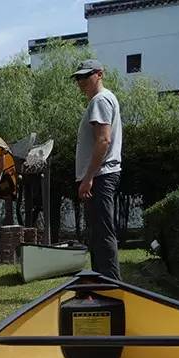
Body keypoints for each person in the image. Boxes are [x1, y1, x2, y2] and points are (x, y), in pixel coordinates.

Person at [73, 58, 123, 280]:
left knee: (103, 234)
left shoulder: (100, 101)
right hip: (101, 175)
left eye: (86, 76)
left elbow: (103, 140)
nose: (81, 81)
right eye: (78, 77)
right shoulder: (104, 99)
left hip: (101, 176)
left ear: (99, 74)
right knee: (97, 235)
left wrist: (88, 177)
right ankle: (100, 282)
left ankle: (112, 286)